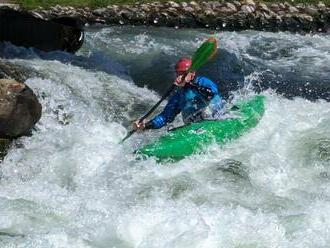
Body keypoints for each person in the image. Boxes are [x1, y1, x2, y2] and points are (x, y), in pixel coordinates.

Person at [133, 57, 225, 130]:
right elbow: (165, 118)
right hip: (195, 127)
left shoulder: (203, 82)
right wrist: (146, 125)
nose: (181, 77)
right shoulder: (179, 95)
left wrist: (191, 84)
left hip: (216, 118)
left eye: (184, 73)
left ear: (192, 73)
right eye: (179, 74)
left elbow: (210, 95)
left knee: (206, 112)